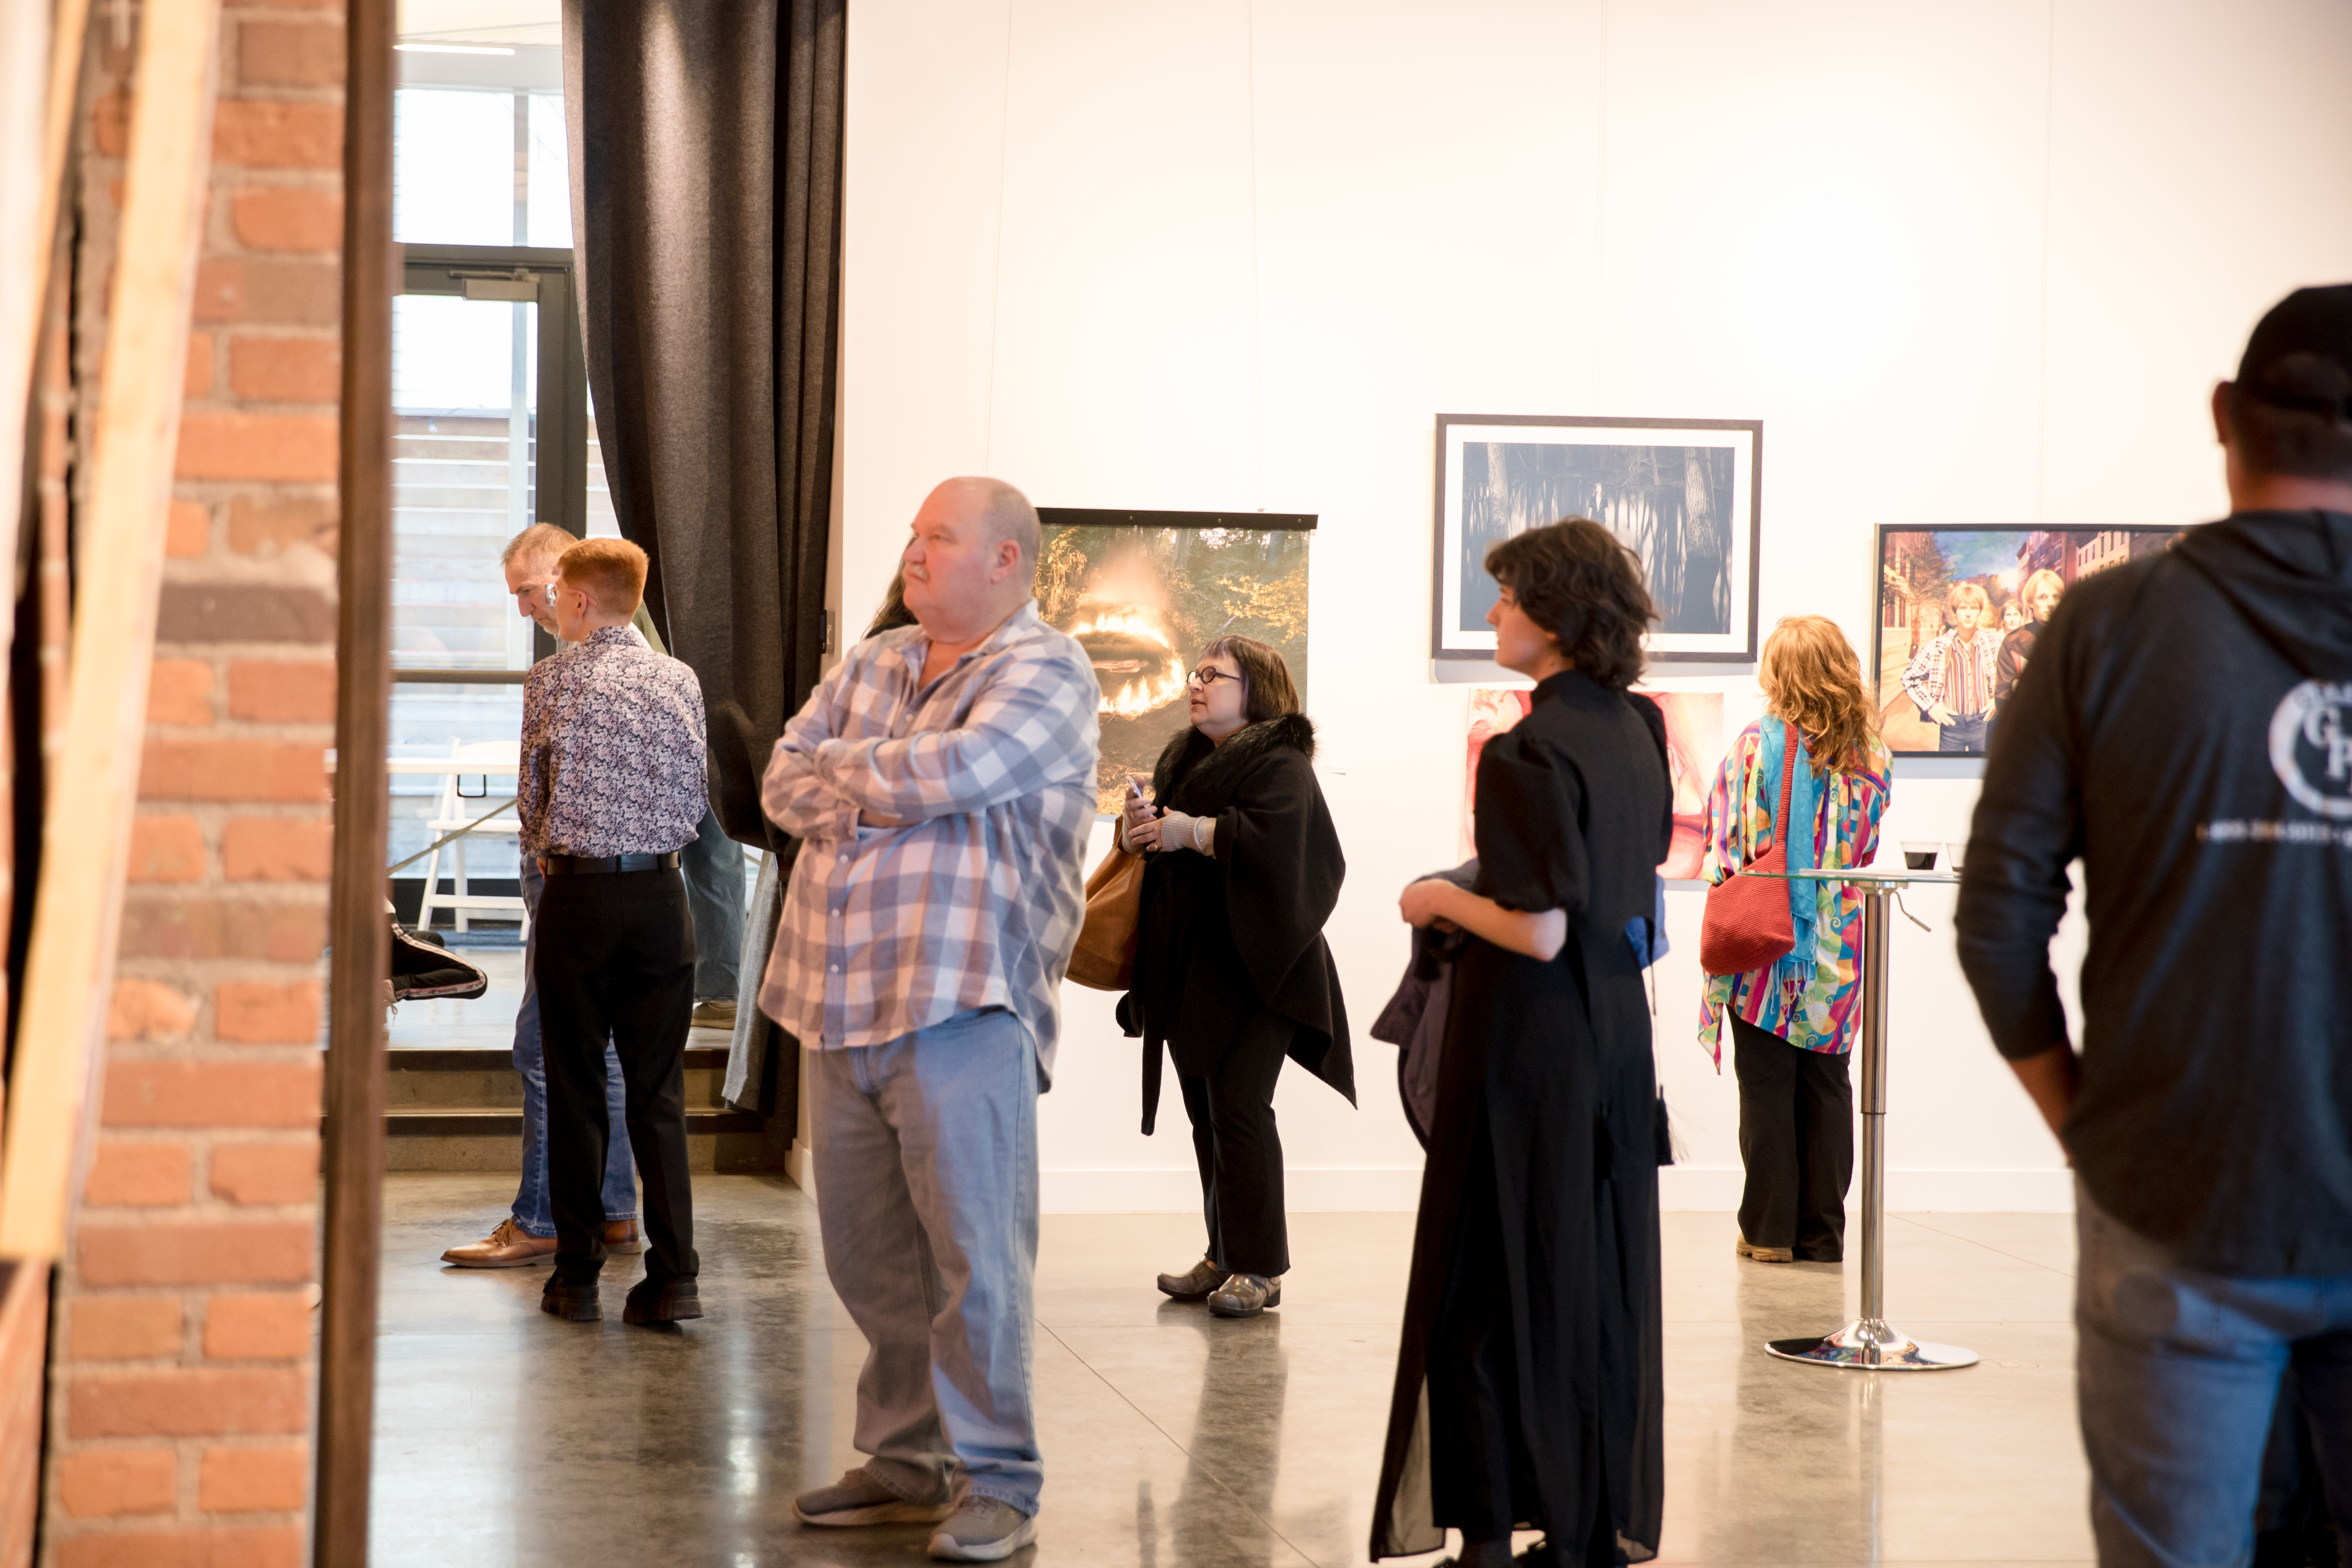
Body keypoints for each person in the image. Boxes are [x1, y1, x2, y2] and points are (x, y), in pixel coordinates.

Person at [1955, 283, 2352, 1568]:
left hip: (2172, 1196)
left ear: (2224, 414)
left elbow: (1998, 921)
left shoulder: (2110, 625)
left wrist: (2090, 1131)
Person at [768, 477, 1098, 1563]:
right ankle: (908, 1458)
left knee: (974, 1262)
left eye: (939, 538)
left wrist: (846, 774)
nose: (913, 553)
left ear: (1005, 560)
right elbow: (778, 782)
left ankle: (998, 1479)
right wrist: (878, 786)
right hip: (839, 1001)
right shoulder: (875, 661)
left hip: (963, 1006)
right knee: (869, 1258)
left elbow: (959, 771)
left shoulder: (1046, 669)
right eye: (913, 536)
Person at [1371, 517, 1673, 1568]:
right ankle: (1579, 1528)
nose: (1493, 613)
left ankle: (1491, 1533)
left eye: (1506, 597)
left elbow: (1538, 927)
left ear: (1554, 613)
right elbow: (1611, 885)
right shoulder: (1637, 729)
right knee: (1584, 1286)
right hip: (1614, 1042)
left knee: (1482, 1296)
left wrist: (1431, 899)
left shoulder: (1523, 748)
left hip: (1529, 1052)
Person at [1117, 634, 1352, 1319]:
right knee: (1206, 1113)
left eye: (1213, 675)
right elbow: (1166, 849)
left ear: (1255, 690)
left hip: (1262, 969)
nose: (1196, 684)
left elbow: (1288, 854)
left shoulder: (1282, 765)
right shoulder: (1188, 760)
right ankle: (1224, 1252)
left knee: (1241, 1109)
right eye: (1195, 673)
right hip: (1195, 966)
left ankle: (1260, 1267)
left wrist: (1192, 832)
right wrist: (1139, 830)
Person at [442, 523, 643, 1268]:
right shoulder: (658, 668)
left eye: (530, 592)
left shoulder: (566, 675)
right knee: (603, 1049)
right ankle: (613, 1210)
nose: (526, 608)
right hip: (633, 884)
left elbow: (538, 794)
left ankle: (542, 1218)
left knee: (543, 1047)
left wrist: (543, 855)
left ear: (566, 580)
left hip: (574, 878)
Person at [523, 537, 709, 1327]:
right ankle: (676, 1276)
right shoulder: (680, 678)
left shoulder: (551, 680)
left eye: (556, 593)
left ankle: (575, 1276)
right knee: (657, 1092)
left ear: (580, 598)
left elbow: (533, 800)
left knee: (575, 1088)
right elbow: (696, 794)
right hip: (663, 896)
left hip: (580, 898)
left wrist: (555, 847)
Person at [1698, 615, 1891, 1265]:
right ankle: (1822, 1234)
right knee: (1828, 1086)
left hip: (1766, 943)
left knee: (1766, 1085)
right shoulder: (1873, 753)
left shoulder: (1755, 748)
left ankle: (1769, 1231)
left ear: (1779, 673)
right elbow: (1865, 847)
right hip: (1839, 946)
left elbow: (1728, 846)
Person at [1900, 581, 2002, 752]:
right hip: (1952, 725)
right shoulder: (1938, 646)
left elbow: (2010, 678)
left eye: (1974, 608)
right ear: (1955, 612)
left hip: (1984, 723)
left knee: (1985, 768)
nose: (1968, 614)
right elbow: (1909, 678)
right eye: (1963, 608)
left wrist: (1997, 700)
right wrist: (1930, 706)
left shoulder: (1993, 643)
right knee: (1949, 767)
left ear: (1980, 611)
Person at [1992, 567, 2064, 707]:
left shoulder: (2075, 639)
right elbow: (2003, 698)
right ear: (2030, 602)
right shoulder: (2013, 643)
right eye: (2043, 597)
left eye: (2056, 597)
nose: (2051, 604)